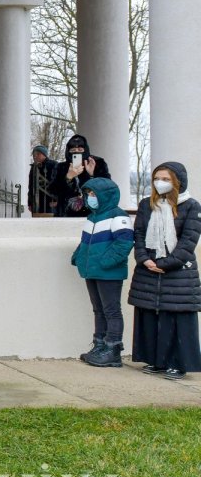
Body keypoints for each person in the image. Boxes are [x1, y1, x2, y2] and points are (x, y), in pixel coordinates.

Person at [129, 162, 201, 379]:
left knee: (176, 316)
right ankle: (155, 360)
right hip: (148, 269)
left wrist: (167, 262)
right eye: (157, 178)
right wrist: (144, 259)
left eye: (166, 179)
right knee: (150, 315)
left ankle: (178, 364)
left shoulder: (191, 206)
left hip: (178, 272)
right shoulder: (146, 205)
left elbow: (189, 241)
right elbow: (139, 234)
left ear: (177, 181)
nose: (160, 183)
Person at [71, 177, 134, 368]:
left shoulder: (118, 216)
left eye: (93, 194)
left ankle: (112, 348)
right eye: (88, 194)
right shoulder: (92, 217)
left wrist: (106, 262)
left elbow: (124, 243)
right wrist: (78, 257)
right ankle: (99, 344)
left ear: (104, 195)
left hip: (109, 273)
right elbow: (85, 242)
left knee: (111, 310)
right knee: (98, 309)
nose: (90, 197)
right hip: (92, 270)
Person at [50, 134, 111, 218]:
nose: (77, 152)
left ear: (85, 150)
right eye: (73, 149)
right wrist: (68, 177)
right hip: (66, 215)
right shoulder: (61, 167)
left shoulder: (97, 164)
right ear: (68, 151)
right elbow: (53, 191)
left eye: (80, 149)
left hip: (92, 214)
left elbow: (107, 188)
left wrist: (92, 175)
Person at [28, 145, 59, 216]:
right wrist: (30, 203)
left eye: (38, 154)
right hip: (36, 200)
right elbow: (31, 186)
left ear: (44, 154)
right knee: (37, 223)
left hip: (50, 200)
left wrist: (56, 200)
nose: (35, 156)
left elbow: (57, 183)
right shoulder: (34, 167)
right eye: (34, 154)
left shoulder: (53, 164)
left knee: (50, 223)